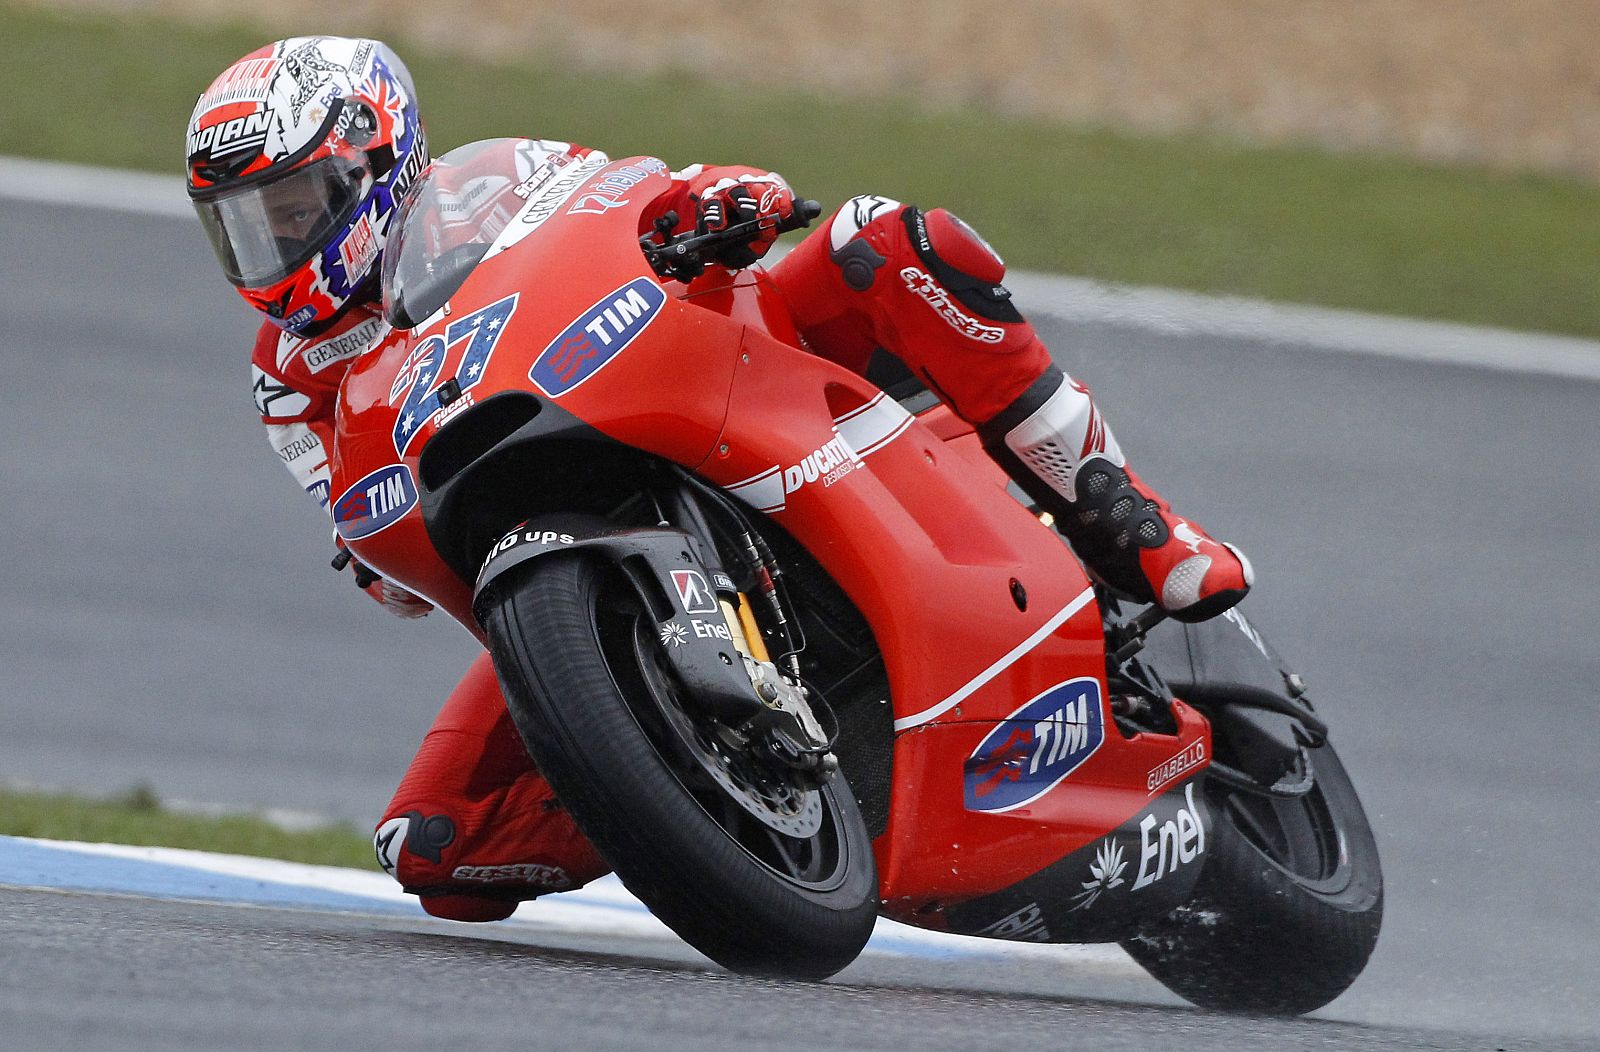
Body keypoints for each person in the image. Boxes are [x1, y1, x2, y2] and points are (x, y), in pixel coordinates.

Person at [187, 36, 1253, 922]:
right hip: (524, 511)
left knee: (881, 238)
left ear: (377, 162)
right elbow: (350, 517)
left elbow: (621, 199)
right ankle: (682, 778)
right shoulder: (285, 377)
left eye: (291, 204)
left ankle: (1132, 519)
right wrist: (372, 556)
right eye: (242, 224)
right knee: (437, 851)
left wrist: (716, 198)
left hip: (693, 377)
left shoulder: (485, 184)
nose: (273, 243)